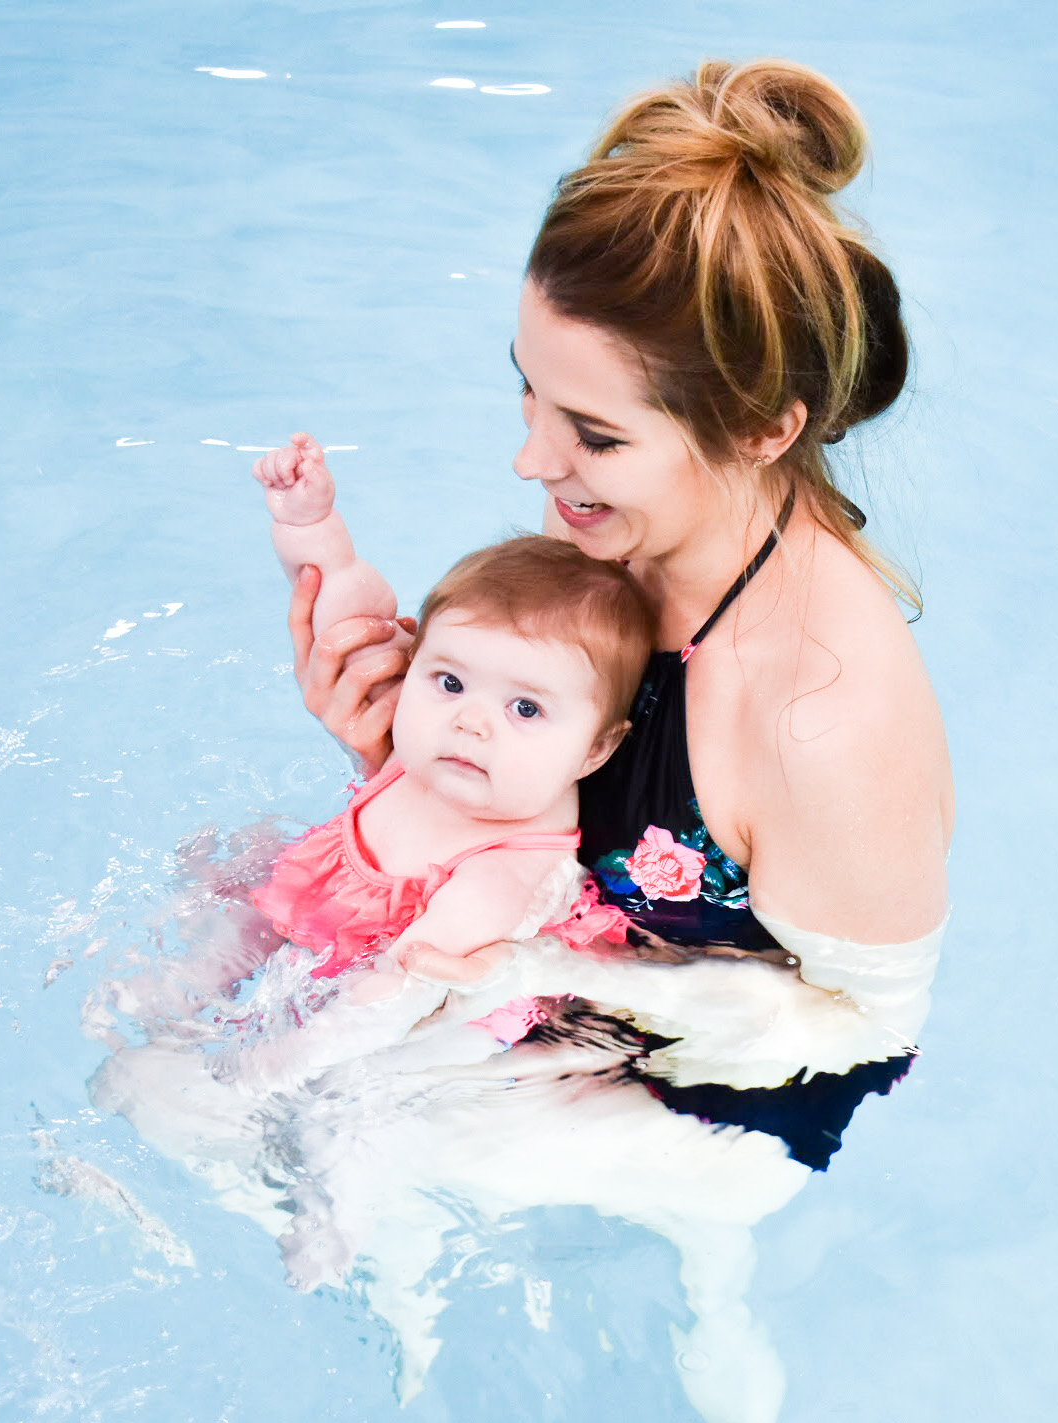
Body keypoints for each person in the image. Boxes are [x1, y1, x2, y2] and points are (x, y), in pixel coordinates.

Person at [285, 59, 953, 1171]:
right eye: (528, 391)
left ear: (760, 432)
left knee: (333, 1145)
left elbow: (866, 1033)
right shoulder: (618, 543)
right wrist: (398, 748)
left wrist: (554, 980)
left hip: (715, 1103)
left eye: (593, 436)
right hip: (537, 984)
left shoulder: (819, 716)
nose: (531, 459)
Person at [243, 431, 653, 1047]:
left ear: (596, 748)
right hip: (326, 916)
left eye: (525, 707)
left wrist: (257, 1076)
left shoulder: (506, 874)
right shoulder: (428, 748)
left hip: (398, 1008)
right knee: (232, 871)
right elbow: (346, 604)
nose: (470, 721)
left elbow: (385, 1000)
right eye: (451, 682)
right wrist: (311, 520)